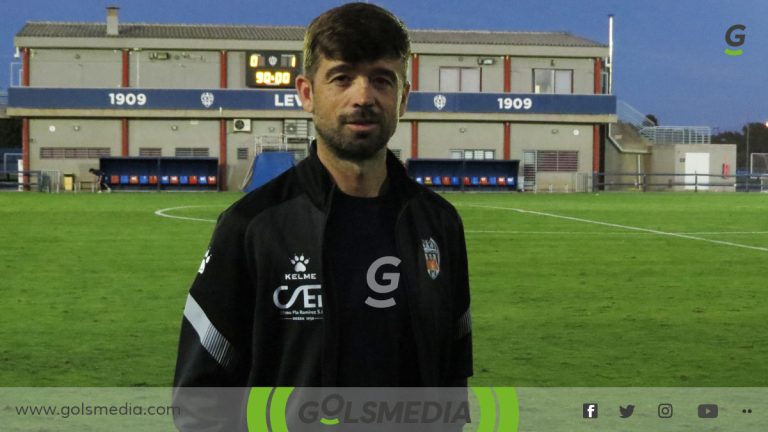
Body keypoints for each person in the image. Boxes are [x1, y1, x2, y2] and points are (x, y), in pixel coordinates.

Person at [173, 2, 472, 427]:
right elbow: (199, 398)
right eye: (342, 78)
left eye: (382, 80)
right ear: (307, 93)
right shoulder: (252, 227)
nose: (363, 96)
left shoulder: (439, 225)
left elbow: (452, 379)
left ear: (403, 97)